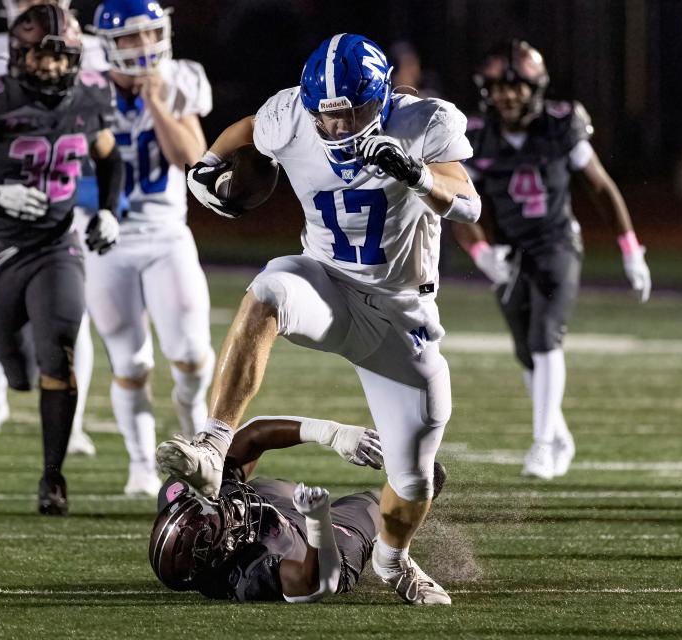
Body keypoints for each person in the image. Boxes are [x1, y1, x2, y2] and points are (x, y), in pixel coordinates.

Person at [158, 33, 481, 605]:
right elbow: (247, 130)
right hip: (327, 284)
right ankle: (213, 442)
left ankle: (394, 559)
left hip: (401, 313)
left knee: (414, 479)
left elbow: (469, 202)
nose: (334, 129)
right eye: (323, 117)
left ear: (379, 99)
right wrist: (207, 164)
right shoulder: (290, 116)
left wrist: (416, 174)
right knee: (269, 288)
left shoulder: (422, 121)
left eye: (349, 114)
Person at [0, 5, 123, 515]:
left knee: (57, 355)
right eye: (44, 56)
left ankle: (52, 478)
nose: (55, 68)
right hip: (1, 248)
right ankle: (10, 387)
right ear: (18, 54)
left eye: (64, 58)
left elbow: (109, 156)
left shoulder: (90, 94)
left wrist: (108, 211)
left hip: (58, 244)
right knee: (15, 369)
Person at [454, 40, 652, 480]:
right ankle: (559, 436)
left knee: (545, 337)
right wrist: (482, 253)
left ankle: (543, 444)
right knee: (527, 351)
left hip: (558, 243)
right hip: (511, 252)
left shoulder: (562, 125)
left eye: (517, 87)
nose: (508, 96)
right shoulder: (476, 134)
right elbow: (458, 203)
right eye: (499, 88)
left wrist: (630, 249)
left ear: (536, 87)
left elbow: (601, 188)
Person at [82, 0, 215, 496]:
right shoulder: (86, 87)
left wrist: (157, 101)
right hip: (104, 237)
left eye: (150, 34)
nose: (145, 47)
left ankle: (194, 420)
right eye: (132, 38)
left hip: (165, 234)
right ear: (108, 45)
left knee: (192, 353)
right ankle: (140, 464)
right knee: (130, 362)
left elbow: (193, 159)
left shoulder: (177, 79)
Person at [152, 416, 449, 602]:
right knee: (408, 490)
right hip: (317, 551)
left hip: (274, 513)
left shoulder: (179, 498)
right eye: (228, 518)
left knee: (226, 475)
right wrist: (317, 520)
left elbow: (254, 434)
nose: (231, 507)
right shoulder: (247, 577)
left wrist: (331, 433)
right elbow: (320, 583)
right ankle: (393, 558)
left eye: (223, 507)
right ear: (221, 552)